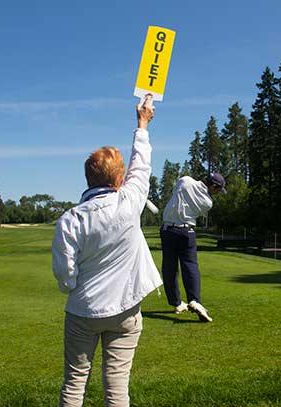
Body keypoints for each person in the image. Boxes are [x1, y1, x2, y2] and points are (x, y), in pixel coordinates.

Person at [52, 98, 162, 407]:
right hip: (125, 310)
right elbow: (142, 163)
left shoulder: (70, 220)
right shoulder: (130, 201)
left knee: (74, 385)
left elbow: (65, 274)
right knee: (117, 390)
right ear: (119, 180)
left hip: (82, 311)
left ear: (89, 179)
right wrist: (142, 124)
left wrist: (73, 289)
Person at [160, 172, 226, 322]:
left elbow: (176, 191)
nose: (218, 193)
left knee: (169, 268)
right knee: (190, 265)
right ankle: (194, 300)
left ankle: (176, 303)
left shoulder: (184, 181)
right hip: (187, 232)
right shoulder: (208, 202)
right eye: (218, 189)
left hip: (168, 230)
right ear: (213, 186)